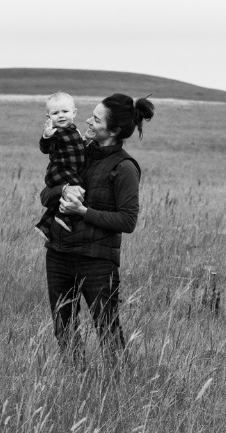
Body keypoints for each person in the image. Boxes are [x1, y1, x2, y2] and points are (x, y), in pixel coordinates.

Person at [40, 93, 155, 364]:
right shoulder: (76, 151)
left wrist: (83, 212)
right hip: (59, 254)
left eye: (96, 119)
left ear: (113, 131)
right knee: (63, 329)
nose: (88, 122)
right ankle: (75, 380)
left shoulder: (124, 167)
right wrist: (62, 190)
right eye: (91, 115)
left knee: (108, 332)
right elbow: (45, 195)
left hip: (97, 261)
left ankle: (117, 384)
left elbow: (127, 221)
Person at [35, 92, 86, 239]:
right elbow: (44, 149)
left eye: (65, 111)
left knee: (68, 194)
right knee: (78, 188)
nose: (61, 116)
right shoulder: (54, 133)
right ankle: (63, 216)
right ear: (49, 117)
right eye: (55, 113)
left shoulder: (75, 130)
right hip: (59, 171)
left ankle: (44, 226)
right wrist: (46, 136)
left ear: (74, 113)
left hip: (70, 171)